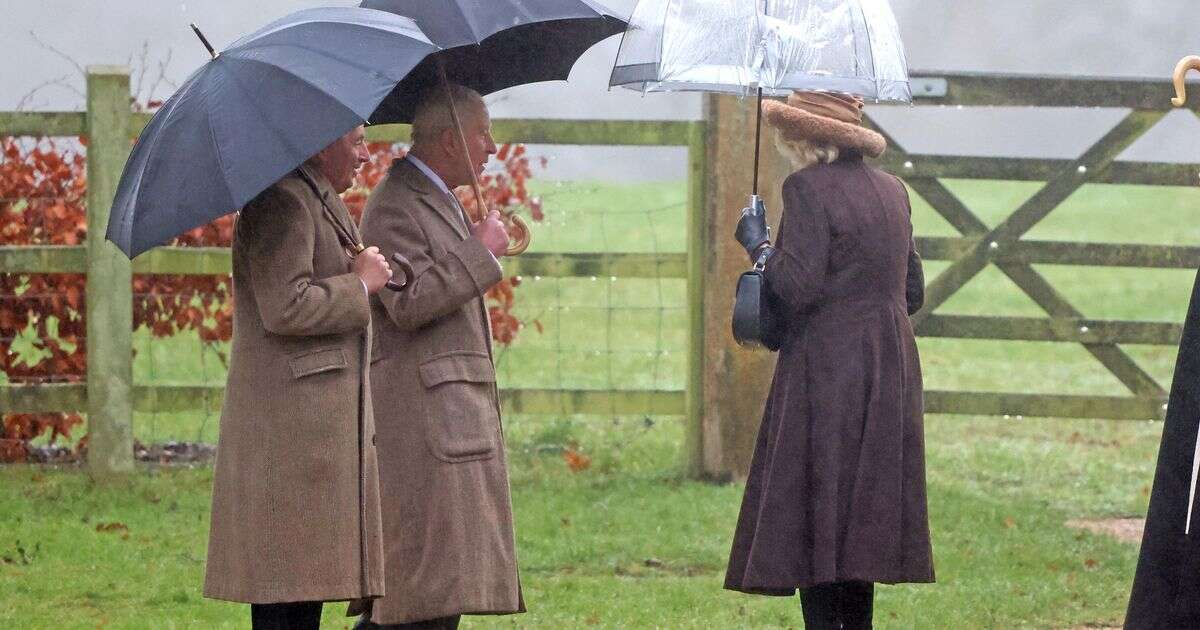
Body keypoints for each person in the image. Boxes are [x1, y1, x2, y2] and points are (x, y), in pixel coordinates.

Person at [723, 91, 934, 629]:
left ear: (805, 138)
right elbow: (912, 290)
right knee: (859, 517)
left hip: (827, 368)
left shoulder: (807, 189)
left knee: (818, 506)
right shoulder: (894, 191)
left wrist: (759, 246)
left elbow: (796, 286)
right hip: (890, 365)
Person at [203, 125, 393, 630]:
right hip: (287, 437)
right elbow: (284, 306)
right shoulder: (282, 202)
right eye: (355, 141)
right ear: (323, 142)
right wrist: (358, 285)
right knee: (285, 597)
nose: (364, 152)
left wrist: (358, 268)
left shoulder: (313, 195)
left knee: (300, 592)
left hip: (308, 435)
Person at [355, 85, 521, 629]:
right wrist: (481, 252)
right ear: (450, 140)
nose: (493, 146)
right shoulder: (394, 206)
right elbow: (409, 302)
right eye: (482, 132)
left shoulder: (437, 197)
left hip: (450, 423)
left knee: (436, 599)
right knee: (417, 601)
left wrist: (475, 242)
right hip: (422, 427)